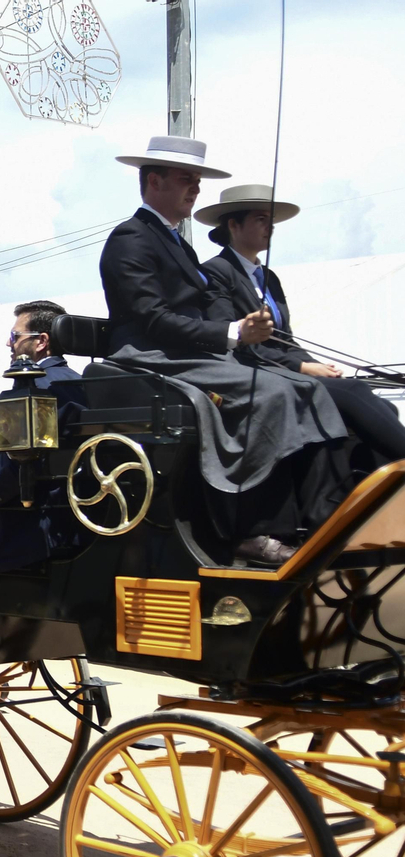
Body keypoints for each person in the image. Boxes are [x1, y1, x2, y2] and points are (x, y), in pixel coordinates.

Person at [101, 136, 349, 565]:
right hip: (149, 356)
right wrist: (233, 332)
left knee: (307, 388)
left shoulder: (176, 243)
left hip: (188, 354)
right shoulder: (131, 238)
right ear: (154, 181)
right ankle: (252, 531)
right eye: (186, 179)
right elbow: (153, 320)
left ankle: (324, 515)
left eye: (197, 180)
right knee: (270, 393)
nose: (195, 188)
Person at [197, 184, 405, 468]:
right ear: (234, 225)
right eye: (261, 219)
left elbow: (286, 339)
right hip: (252, 373)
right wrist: (302, 368)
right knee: (354, 394)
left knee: (383, 405)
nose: (270, 227)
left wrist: (316, 366)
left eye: (271, 221)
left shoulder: (268, 277)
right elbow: (230, 339)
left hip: (284, 370)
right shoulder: (217, 272)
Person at [0, 301, 95, 570]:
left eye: (15, 336)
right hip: (76, 516)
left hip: (30, 525)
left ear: (41, 341)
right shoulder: (80, 382)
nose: (9, 342)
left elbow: (17, 468)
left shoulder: (31, 389)